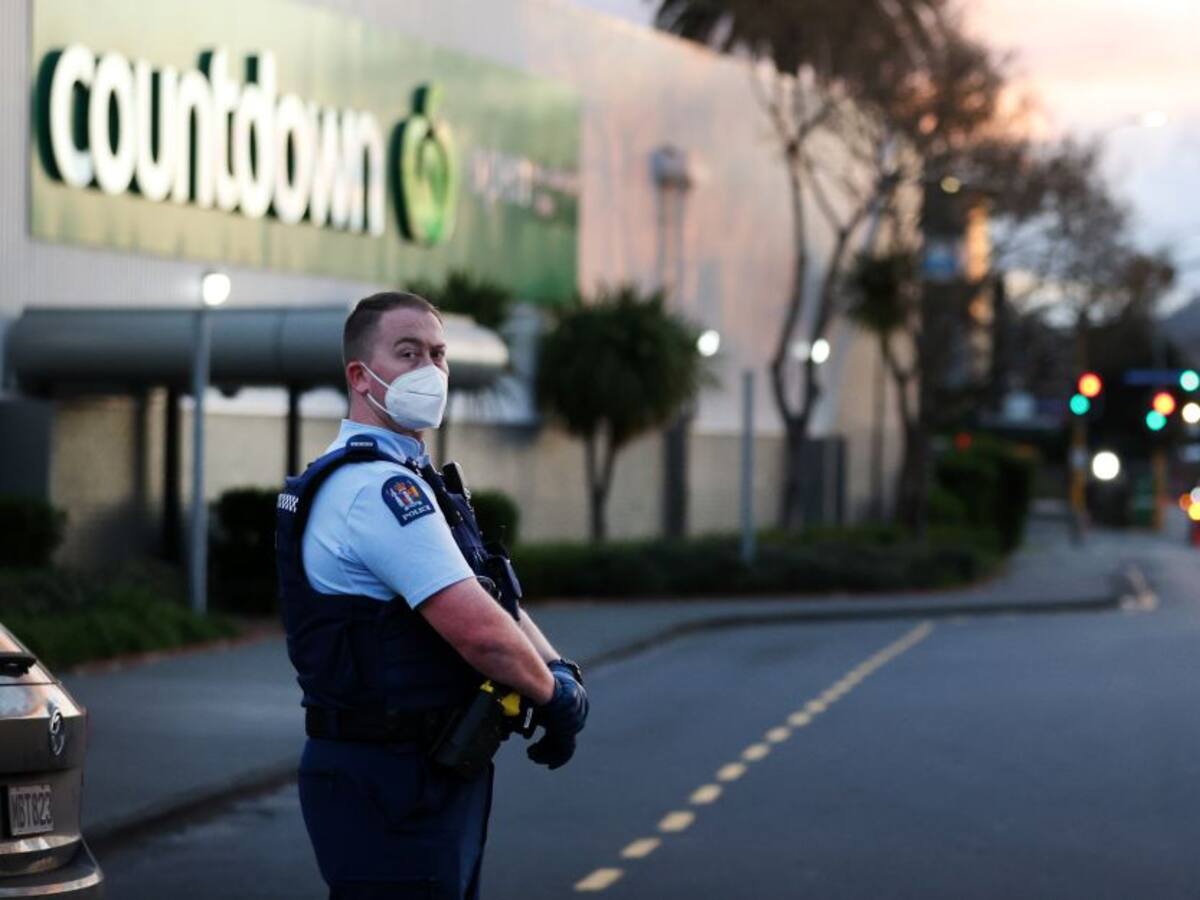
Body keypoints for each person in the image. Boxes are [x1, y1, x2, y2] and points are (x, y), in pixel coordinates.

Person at [275, 291, 588, 899]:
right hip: (388, 777)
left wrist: (554, 672)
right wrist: (556, 699)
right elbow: (476, 630)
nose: (431, 371)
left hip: (424, 770)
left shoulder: (412, 477)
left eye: (438, 355)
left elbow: (493, 597)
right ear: (360, 377)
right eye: (408, 352)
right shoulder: (377, 491)